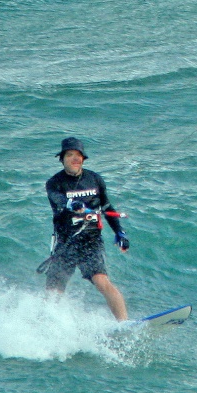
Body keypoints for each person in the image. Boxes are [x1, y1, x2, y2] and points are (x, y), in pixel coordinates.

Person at [39, 137, 128, 320]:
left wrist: (119, 232)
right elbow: (59, 201)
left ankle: (125, 324)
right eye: (70, 155)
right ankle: (46, 326)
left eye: (78, 155)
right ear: (62, 158)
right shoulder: (54, 183)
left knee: (102, 280)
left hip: (91, 241)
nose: (75, 158)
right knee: (54, 290)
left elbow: (107, 208)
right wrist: (71, 204)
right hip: (66, 242)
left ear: (83, 159)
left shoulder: (94, 179)